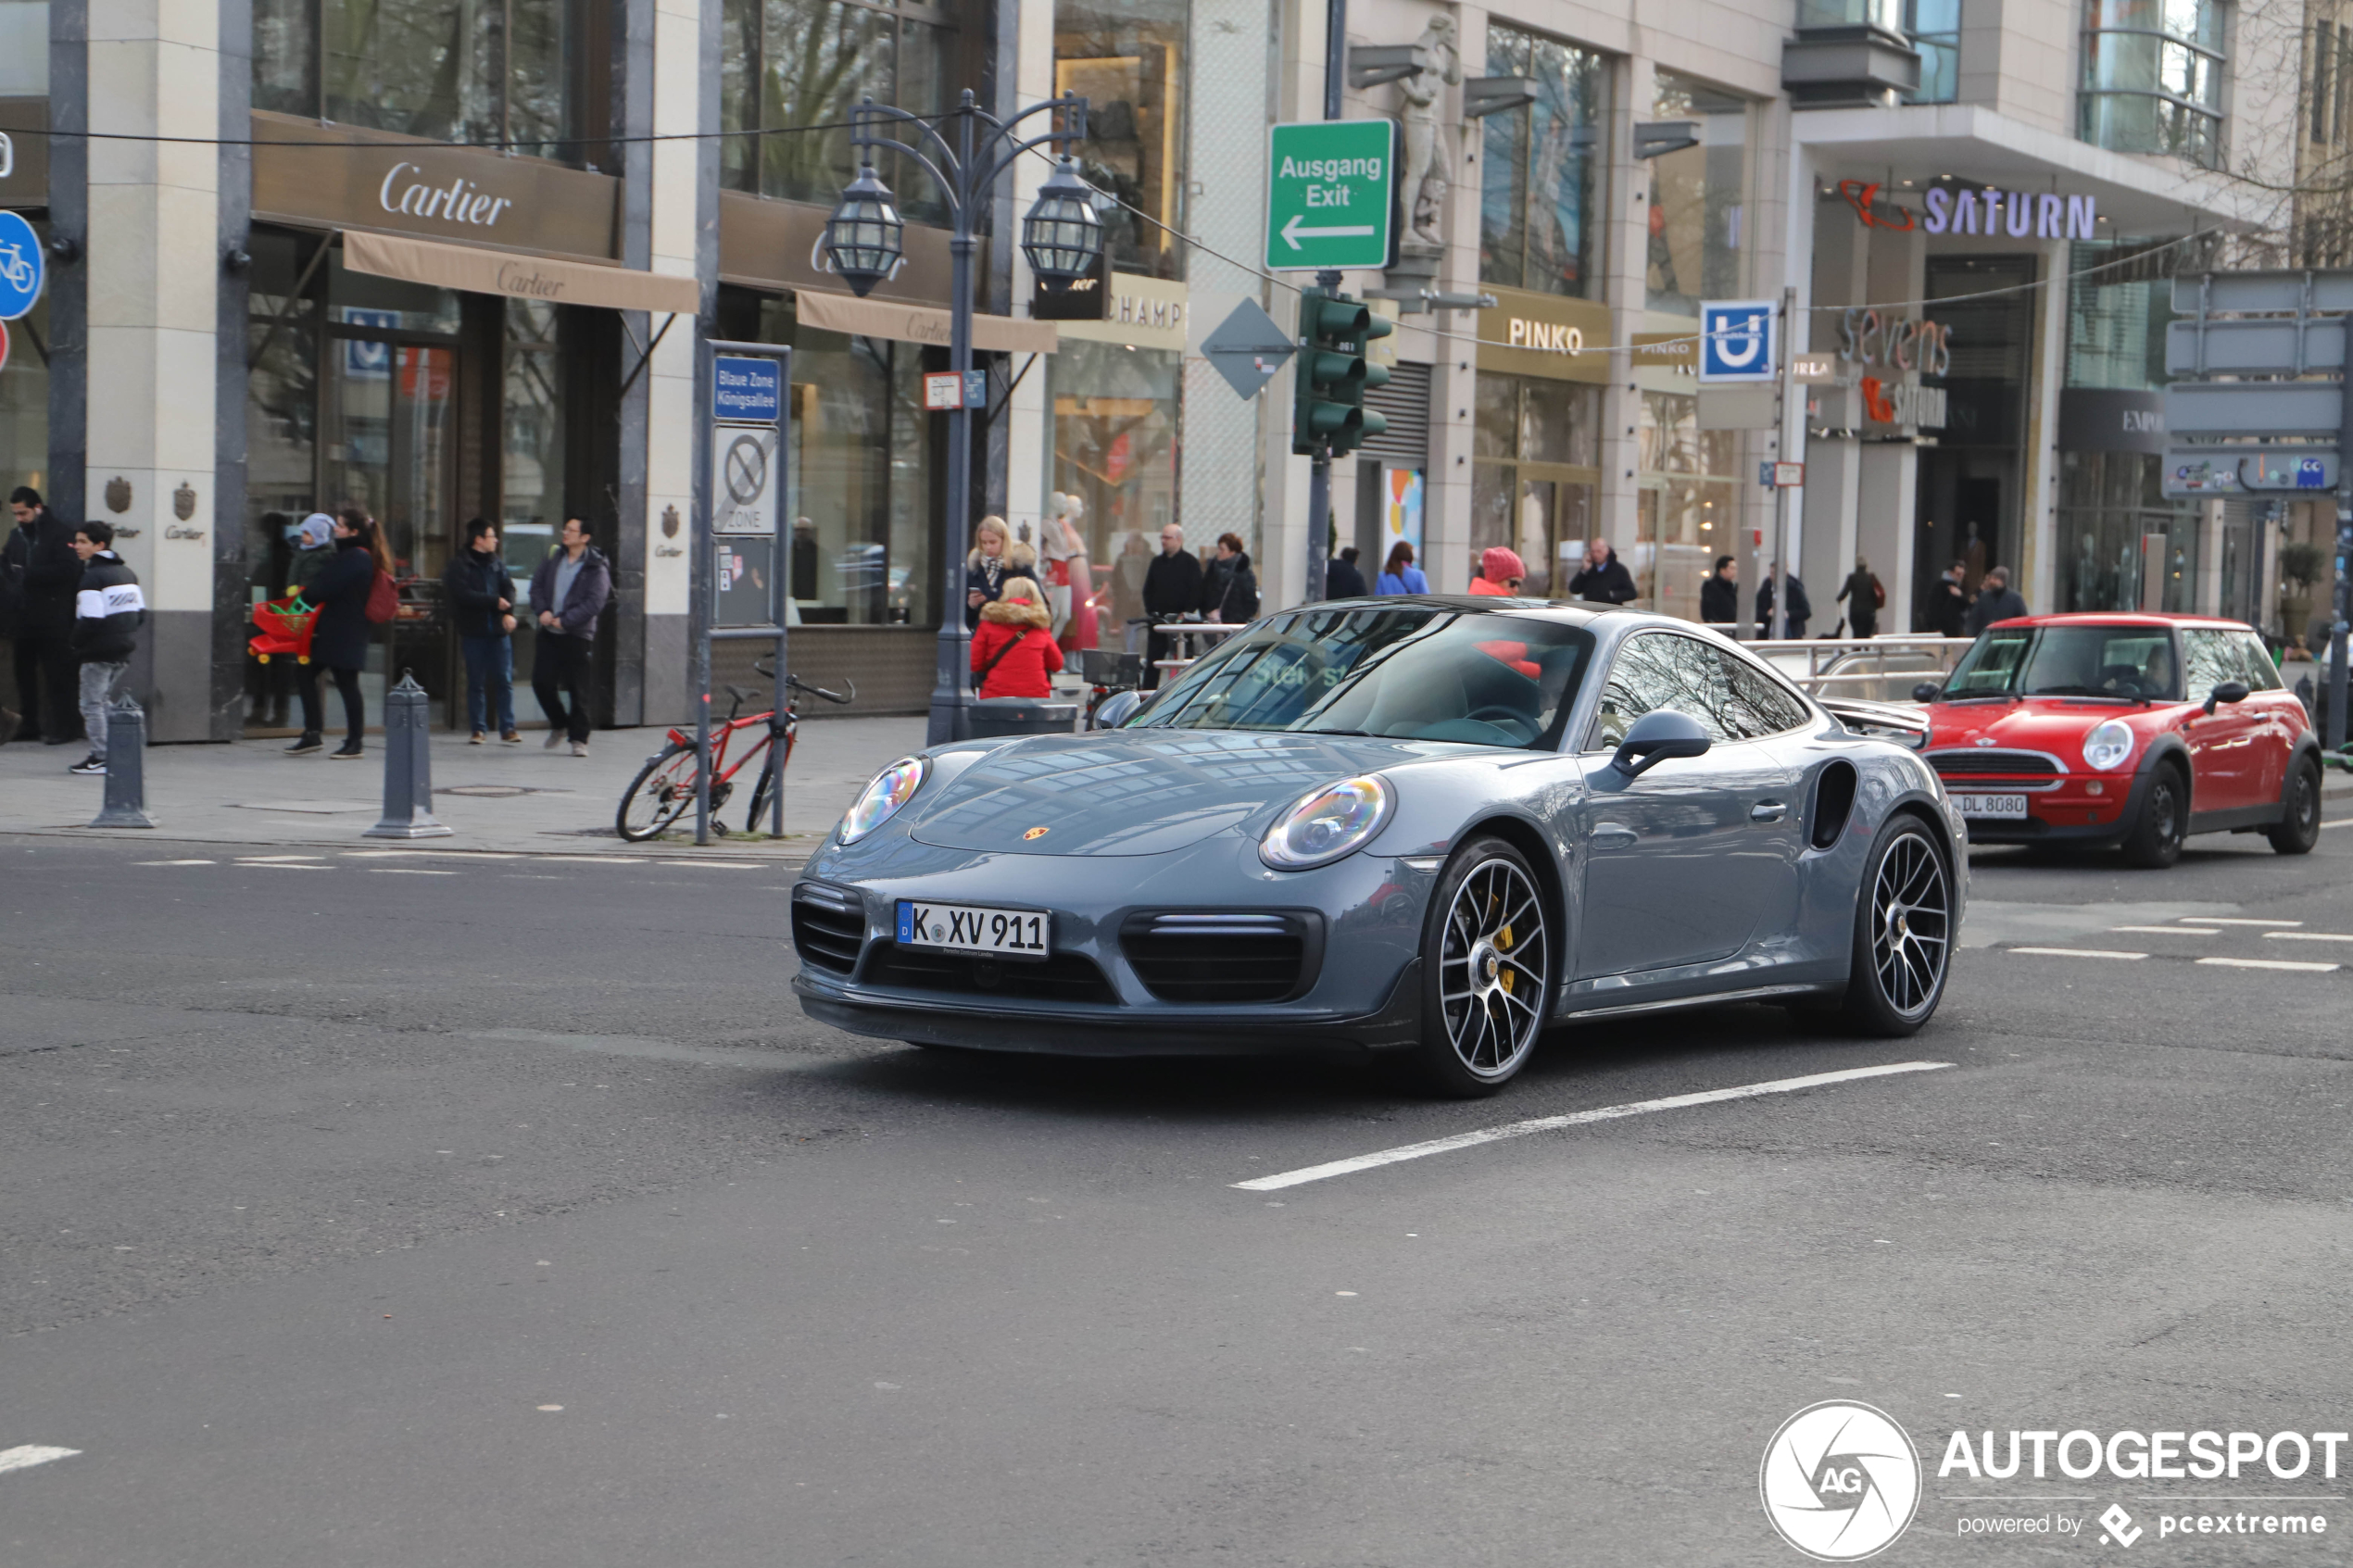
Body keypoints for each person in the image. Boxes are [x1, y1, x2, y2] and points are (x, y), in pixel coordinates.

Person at [2, 486, 82, 746]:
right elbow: (7, 562)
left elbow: (69, 569)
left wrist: (28, 574)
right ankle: (29, 723)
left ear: (38, 508)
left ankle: (64, 727)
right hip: (23, 617)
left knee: (57, 675)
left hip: (53, 617)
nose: (19, 518)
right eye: (15, 513)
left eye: (23, 512)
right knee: (24, 674)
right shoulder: (16, 536)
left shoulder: (60, 534)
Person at [64, 521, 145, 776]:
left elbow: (90, 618)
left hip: (98, 650)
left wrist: (74, 643)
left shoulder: (92, 576)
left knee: (91, 704)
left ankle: (101, 756)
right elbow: (140, 614)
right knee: (101, 701)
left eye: (82, 542)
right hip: (123, 648)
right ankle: (127, 746)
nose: (76, 546)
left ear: (99, 545)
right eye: (76, 541)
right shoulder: (127, 573)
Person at [308, 506, 388, 759]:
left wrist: (307, 594)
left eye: (340, 525)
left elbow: (323, 587)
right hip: (340, 630)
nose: (335, 529)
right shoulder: (352, 555)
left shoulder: (355, 557)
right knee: (309, 673)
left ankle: (354, 741)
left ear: (353, 531)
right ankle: (314, 733)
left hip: (346, 631)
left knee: (347, 684)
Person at [529, 515, 612, 757]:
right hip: (549, 631)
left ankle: (579, 739)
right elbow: (536, 585)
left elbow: (595, 602)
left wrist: (566, 620)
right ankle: (559, 723)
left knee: (578, 689)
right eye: (565, 529)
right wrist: (542, 610)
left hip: (577, 634)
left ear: (584, 537)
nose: (565, 533)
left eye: (571, 530)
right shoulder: (555, 557)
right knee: (541, 683)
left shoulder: (596, 565)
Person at [443, 518, 521, 744]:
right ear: (478, 539)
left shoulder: (497, 563)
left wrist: (508, 611)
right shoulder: (460, 565)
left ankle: (508, 727)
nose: (495, 540)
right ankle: (478, 729)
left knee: (504, 679)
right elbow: (463, 595)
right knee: (475, 681)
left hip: (498, 631)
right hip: (473, 631)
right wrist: (494, 602)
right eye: (491, 536)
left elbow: (509, 588)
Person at [971, 575, 1064, 699]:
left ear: (1005, 594)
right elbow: (1057, 664)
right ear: (1033, 595)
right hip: (1036, 696)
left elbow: (974, 662)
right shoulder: (1040, 625)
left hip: (996, 693)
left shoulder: (989, 622)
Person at [1140, 523, 1203, 688]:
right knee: (1153, 665)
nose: (1163, 541)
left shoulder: (1190, 563)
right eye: (1162, 537)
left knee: (1181, 665)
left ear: (1179, 539)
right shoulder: (1156, 562)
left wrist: (1186, 612)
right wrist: (1152, 611)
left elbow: (1196, 591)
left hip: (1180, 624)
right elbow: (1148, 590)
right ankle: (1146, 701)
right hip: (1158, 622)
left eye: (1167, 537)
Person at [1040, 493, 1097, 653]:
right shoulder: (1048, 524)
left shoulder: (1059, 525)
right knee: (1054, 613)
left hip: (1064, 569)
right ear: (1055, 504)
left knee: (1065, 615)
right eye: (1063, 503)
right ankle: (1045, 650)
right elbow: (1043, 545)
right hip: (1055, 570)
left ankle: (1048, 648)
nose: (1066, 506)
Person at [964, 515, 1040, 628]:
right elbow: (965, 620)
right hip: (983, 636)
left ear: (1004, 540)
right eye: (984, 542)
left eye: (993, 542)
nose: (988, 547)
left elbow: (1039, 606)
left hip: (1012, 634)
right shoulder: (975, 570)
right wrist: (971, 606)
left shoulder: (1020, 568)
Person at [1202, 533, 1259, 622]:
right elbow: (1203, 594)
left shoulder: (1244, 574)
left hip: (1233, 626)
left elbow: (1251, 605)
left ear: (1232, 552)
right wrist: (1206, 612)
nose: (1218, 552)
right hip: (1211, 623)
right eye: (1218, 548)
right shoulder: (1211, 570)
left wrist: (1230, 618)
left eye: (1222, 550)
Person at [1567, 538, 1637, 605]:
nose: (1595, 554)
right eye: (1593, 551)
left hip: (1610, 612)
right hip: (1591, 612)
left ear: (1606, 551)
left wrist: (1612, 595)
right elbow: (1573, 589)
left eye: (1599, 551)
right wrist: (1584, 571)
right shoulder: (1588, 569)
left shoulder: (1619, 569)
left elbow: (1632, 593)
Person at [1964, 564, 2029, 634]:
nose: (1991, 581)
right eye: (1991, 578)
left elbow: (2022, 621)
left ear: (2002, 581)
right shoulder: (1983, 597)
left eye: (1995, 579)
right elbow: (1974, 618)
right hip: (1986, 638)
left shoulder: (2015, 598)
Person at [1756, 564, 1811, 639]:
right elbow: (1756, 610)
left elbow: (1806, 611)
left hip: (1791, 633)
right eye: (1771, 573)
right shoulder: (1766, 587)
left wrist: (1788, 614)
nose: (1773, 576)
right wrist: (1767, 613)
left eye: (1775, 573)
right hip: (1767, 633)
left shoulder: (1795, 587)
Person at [1835, 554, 1881, 639]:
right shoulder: (1871, 578)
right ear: (1866, 566)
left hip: (1855, 612)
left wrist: (1838, 599)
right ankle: (1866, 651)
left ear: (1856, 566)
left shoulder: (1852, 578)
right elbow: (1877, 593)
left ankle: (1857, 650)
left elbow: (1845, 592)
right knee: (1867, 636)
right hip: (1869, 613)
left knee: (1857, 634)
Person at [1930, 559, 1969, 638]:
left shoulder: (1959, 587)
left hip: (1954, 627)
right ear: (1951, 573)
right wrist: (1936, 627)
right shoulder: (1940, 587)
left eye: (1962, 574)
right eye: (1958, 574)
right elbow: (1934, 608)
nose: (1961, 577)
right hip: (1944, 628)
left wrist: (1960, 595)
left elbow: (1966, 605)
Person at [1699, 556, 1739, 625]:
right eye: (1731, 568)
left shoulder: (1734, 587)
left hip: (1733, 628)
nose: (1734, 571)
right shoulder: (1710, 586)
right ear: (1722, 570)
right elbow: (1707, 611)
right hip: (1718, 628)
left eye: (1735, 569)